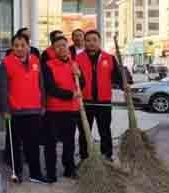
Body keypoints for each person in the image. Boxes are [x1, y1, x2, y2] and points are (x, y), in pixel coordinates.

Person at [0, 32, 46, 183]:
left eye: (22, 45)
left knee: (33, 144)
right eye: (16, 46)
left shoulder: (36, 61)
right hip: (14, 111)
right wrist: (5, 109)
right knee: (15, 145)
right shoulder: (5, 63)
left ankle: (35, 173)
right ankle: (17, 172)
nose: (19, 48)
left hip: (34, 109)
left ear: (28, 46)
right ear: (12, 47)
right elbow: (2, 89)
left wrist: (43, 104)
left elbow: (41, 85)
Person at [42, 35, 85, 182]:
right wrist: (71, 94)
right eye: (58, 46)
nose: (62, 48)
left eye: (64, 45)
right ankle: (51, 173)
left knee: (69, 143)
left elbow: (82, 84)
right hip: (54, 110)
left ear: (68, 47)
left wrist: (79, 75)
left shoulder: (74, 64)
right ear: (54, 50)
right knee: (50, 143)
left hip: (71, 110)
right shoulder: (48, 65)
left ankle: (69, 169)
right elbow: (51, 89)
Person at [76, 30, 122, 161]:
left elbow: (118, 77)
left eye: (94, 40)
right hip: (85, 102)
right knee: (84, 132)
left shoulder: (109, 58)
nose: (91, 43)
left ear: (99, 41)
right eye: (88, 40)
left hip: (104, 102)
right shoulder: (77, 59)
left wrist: (125, 84)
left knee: (105, 131)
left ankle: (107, 155)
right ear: (84, 42)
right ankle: (85, 157)